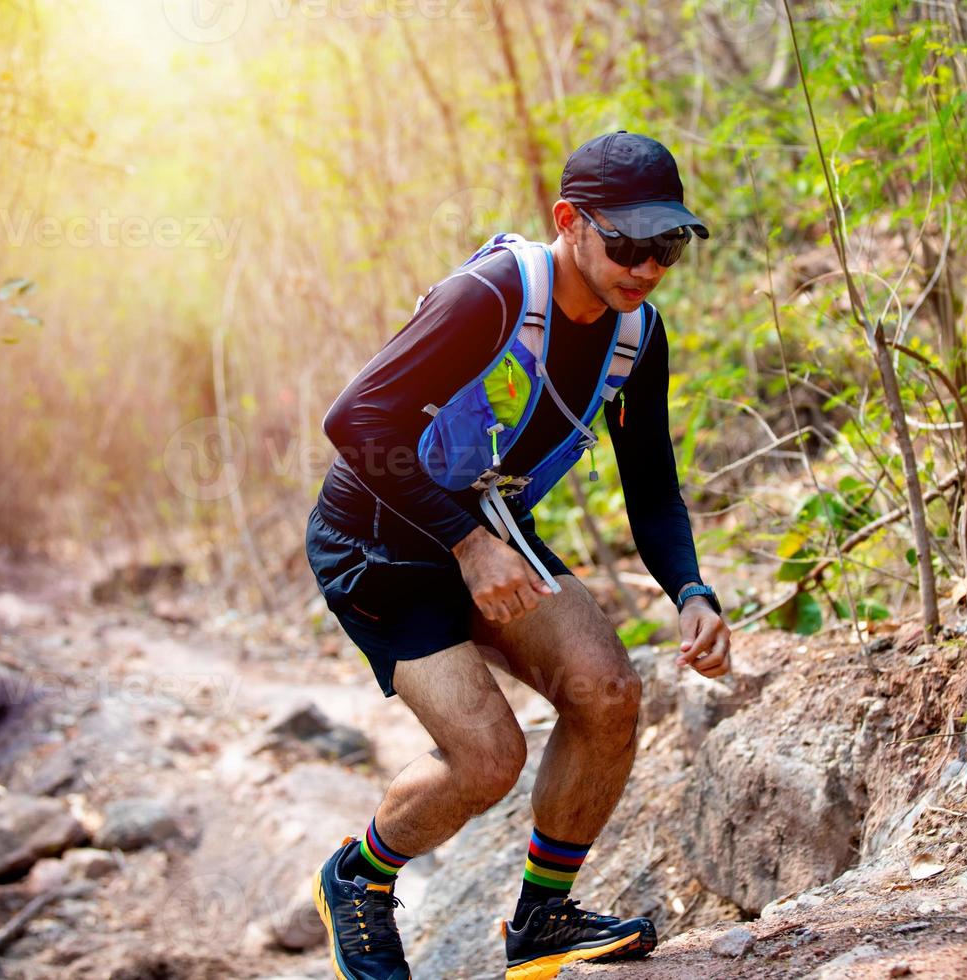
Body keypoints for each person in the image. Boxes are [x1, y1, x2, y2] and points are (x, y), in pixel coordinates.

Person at [306, 131, 732, 980]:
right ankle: (358, 877)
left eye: (669, 245)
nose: (646, 266)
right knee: (488, 757)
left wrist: (690, 587)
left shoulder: (637, 337)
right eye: (627, 242)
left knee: (608, 691)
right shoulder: (491, 298)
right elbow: (355, 423)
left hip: (487, 530)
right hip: (378, 540)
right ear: (569, 221)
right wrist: (465, 545)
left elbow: (651, 484)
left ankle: (542, 919)